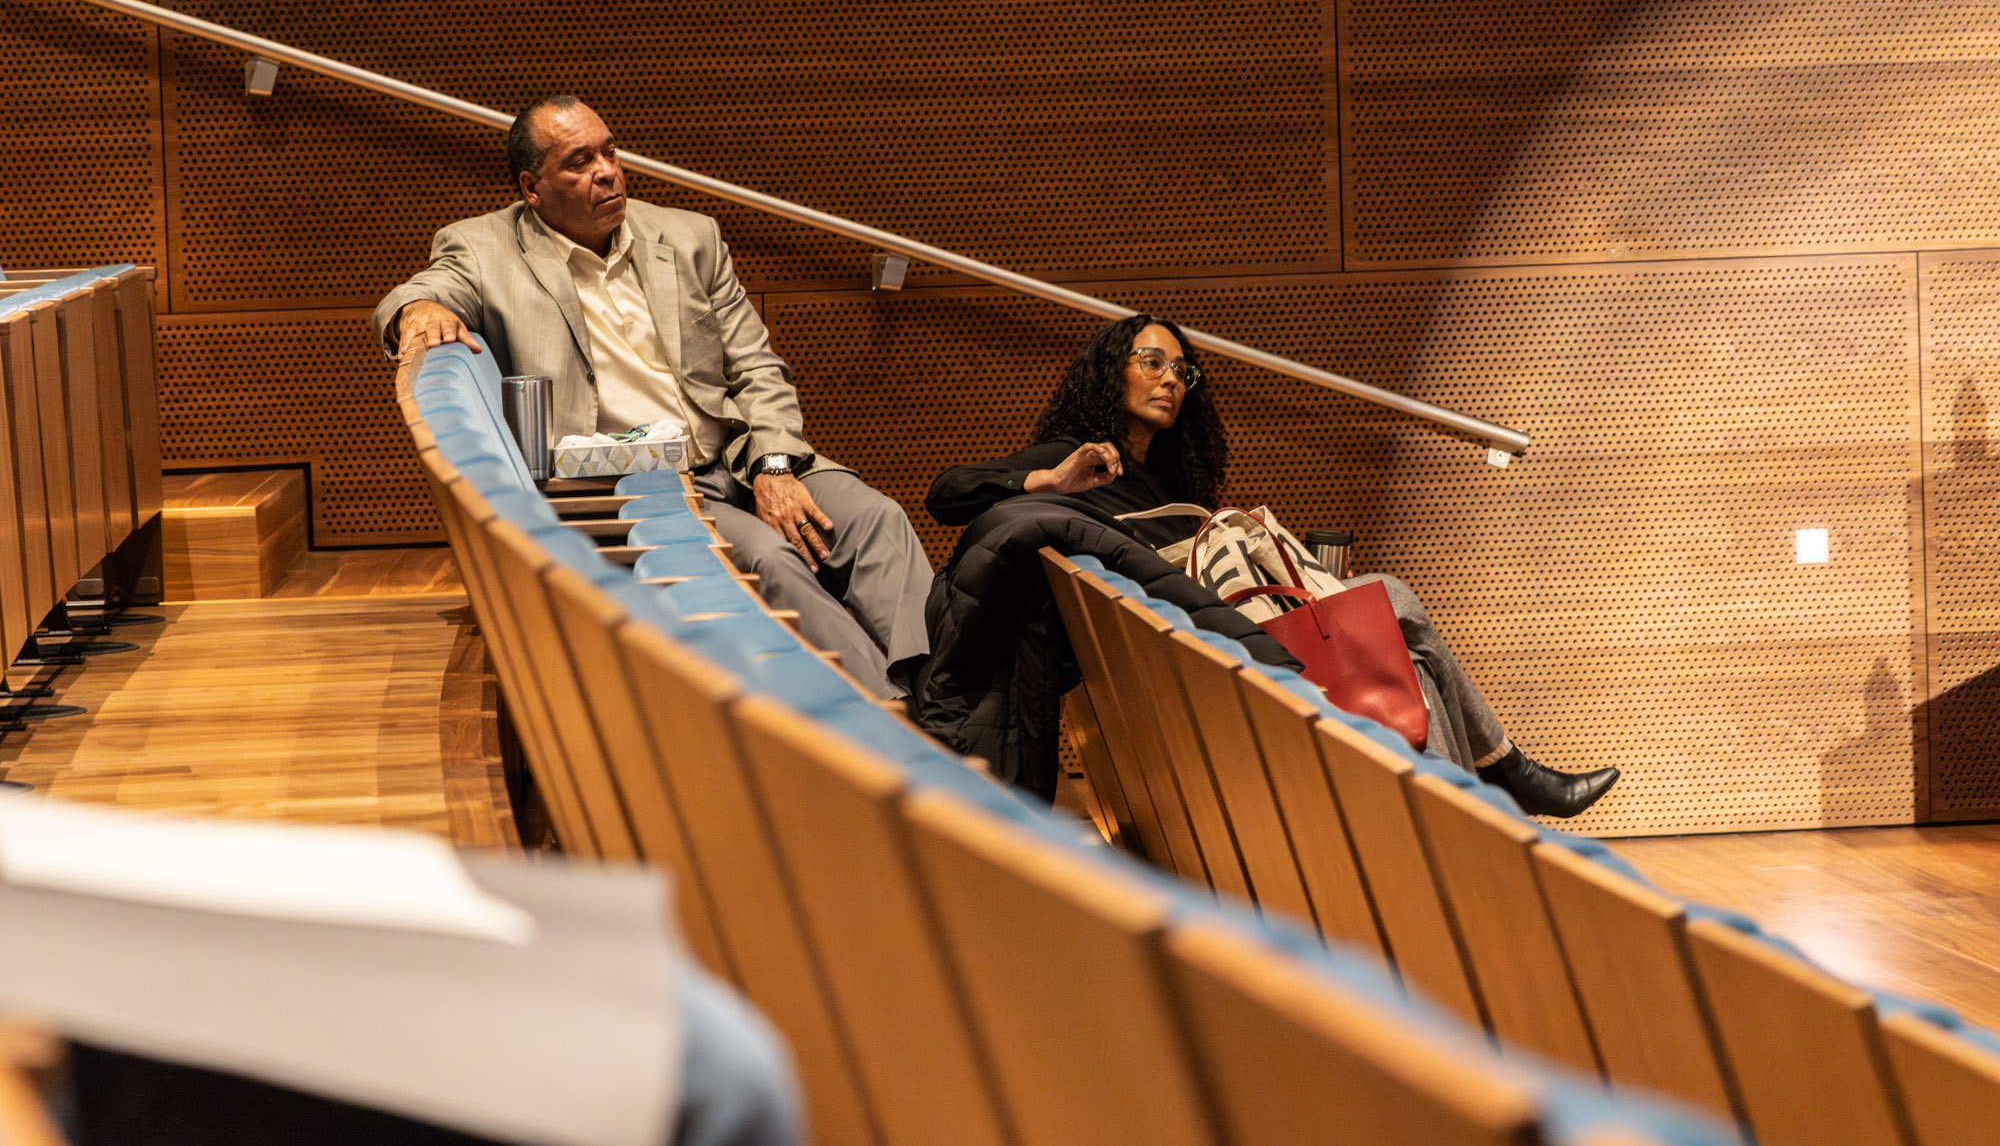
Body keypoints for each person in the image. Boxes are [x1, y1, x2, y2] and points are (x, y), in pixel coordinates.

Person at [925, 313, 1619, 818]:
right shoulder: (1073, 453)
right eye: (1152, 362)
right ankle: (1501, 779)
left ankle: (1467, 805)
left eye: (1181, 370)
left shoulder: (1173, 484)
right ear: (1112, 372)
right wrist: (1049, 480)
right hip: (1201, 645)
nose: (1171, 379)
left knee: (1412, 651)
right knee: (1393, 601)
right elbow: (947, 493)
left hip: (1212, 627)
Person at [371, 95, 931, 701]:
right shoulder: (484, 247)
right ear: (533, 188)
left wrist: (773, 466)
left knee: (878, 520)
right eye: (578, 162)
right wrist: (418, 307)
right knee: (771, 558)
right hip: (632, 483)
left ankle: (947, 696)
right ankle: (888, 720)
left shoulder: (689, 237)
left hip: (737, 455)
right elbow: (424, 290)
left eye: (609, 151)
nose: (607, 171)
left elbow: (757, 367)